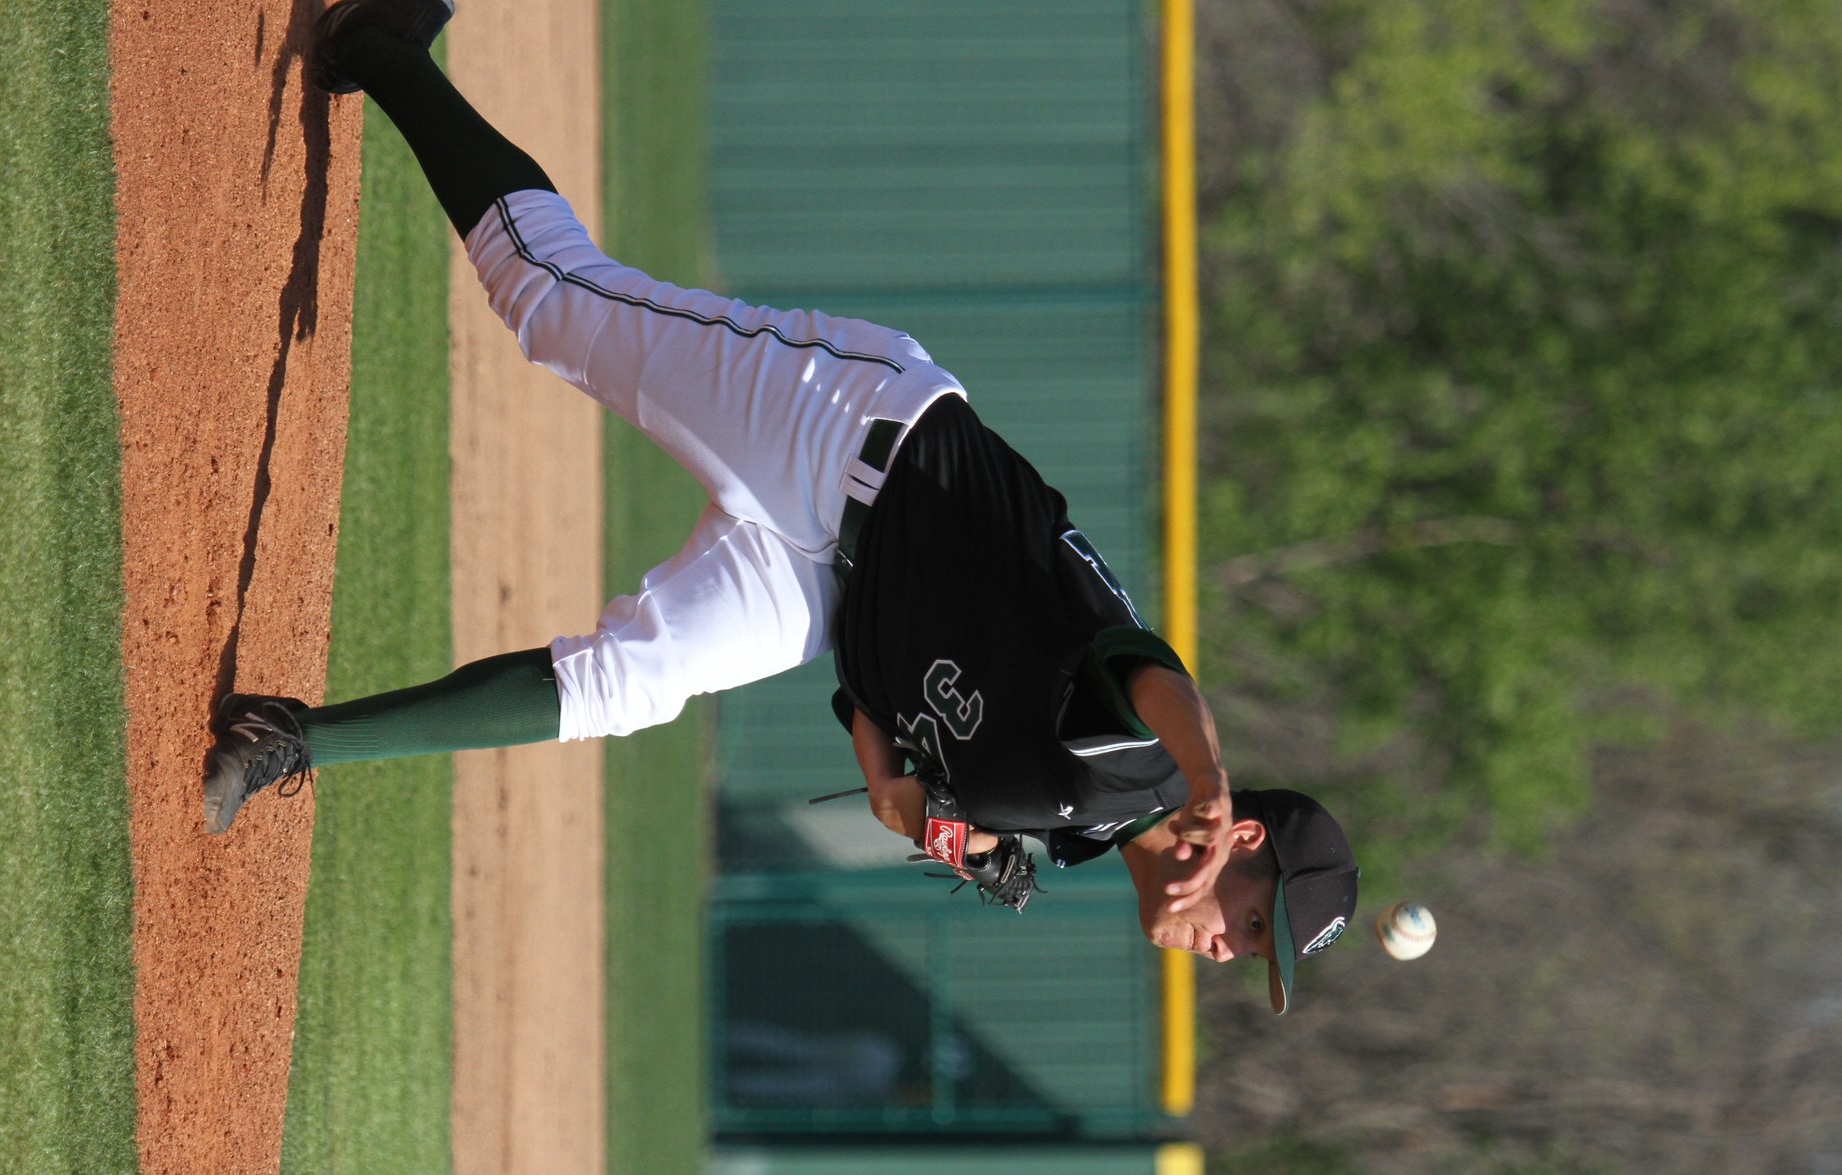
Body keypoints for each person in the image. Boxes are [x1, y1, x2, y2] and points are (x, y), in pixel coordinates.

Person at [202, 0, 1361, 1013]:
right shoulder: (1145, 769)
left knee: (629, 682)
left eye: (1247, 955)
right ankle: (389, 44)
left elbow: (877, 716)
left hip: (827, 579)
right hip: (852, 429)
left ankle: (286, 739)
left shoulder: (1071, 831)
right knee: (555, 303)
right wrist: (1204, 780)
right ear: (1240, 841)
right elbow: (1154, 677)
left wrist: (910, 809)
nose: (1225, 949)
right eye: (1251, 924)